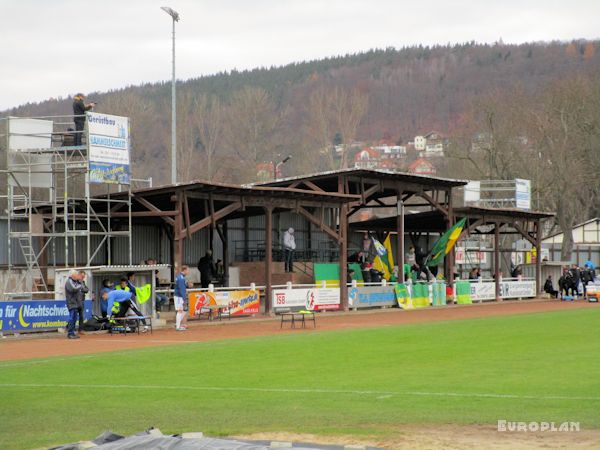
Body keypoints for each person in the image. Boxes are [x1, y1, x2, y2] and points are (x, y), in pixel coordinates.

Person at [64, 269, 85, 339]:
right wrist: (80, 286)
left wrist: (80, 284)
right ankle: (70, 333)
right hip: (71, 302)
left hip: (75, 303)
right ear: (72, 275)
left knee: (75, 318)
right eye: (76, 274)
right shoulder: (69, 281)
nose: (77, 276)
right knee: (72, 318)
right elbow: (73, 288)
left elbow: (84, 289)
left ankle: (72, 332)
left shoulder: (76, 282)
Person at [174, 265, 191, 331]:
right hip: (179, 296)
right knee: (180, 311)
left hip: (179, 296)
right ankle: (178, 327)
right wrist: (184, 297)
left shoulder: (181, 277)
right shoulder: (181, 278)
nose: (188, 272)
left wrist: (187, 285)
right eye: (188, 270)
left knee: (184, 311)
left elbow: (182, 286)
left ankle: (177, 324)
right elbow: (181, 288)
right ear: (184, 270)